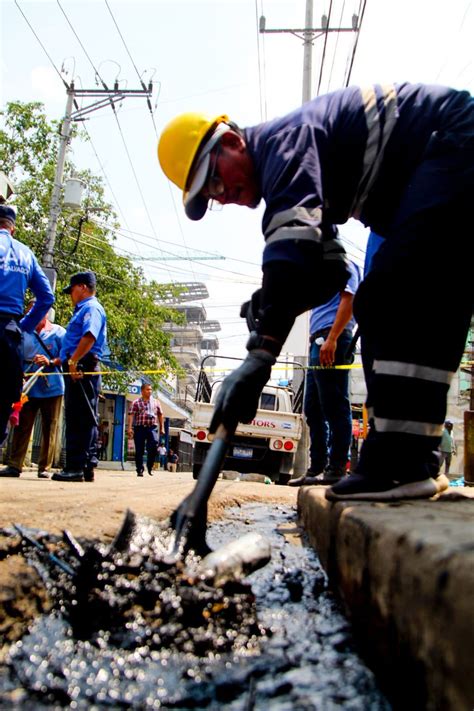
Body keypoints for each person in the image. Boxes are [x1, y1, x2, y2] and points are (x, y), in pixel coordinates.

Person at [158, 83, 474, 502]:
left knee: (395, 295)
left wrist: (261, 353)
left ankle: (402, 464)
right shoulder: (293, 166)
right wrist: (270, 304)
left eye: (214, 178)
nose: (222, 194)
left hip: (456, 142)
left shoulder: (282, 145)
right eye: (210, 195)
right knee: (380, 301)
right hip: (435, 167)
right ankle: (410, 459)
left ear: (232, 141)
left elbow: (292, 251)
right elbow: (327, 272)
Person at [289, 259, 361, 487]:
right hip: (317, 341)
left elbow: (349, 300)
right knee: (313, 408)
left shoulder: (344, 266)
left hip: (333, 339)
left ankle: (338, 466)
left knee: (335, 404)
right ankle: (317, 467)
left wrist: (332, 339)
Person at [0, 204, 54, 445]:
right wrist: (24, 326)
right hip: (10, 331)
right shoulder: (25, 254)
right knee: (5, 394)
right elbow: (47, 297)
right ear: (13, 229)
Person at [52, 272, 107, 483]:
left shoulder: (90, 308)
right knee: (85, 415)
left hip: (81, 366)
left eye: (72, 290)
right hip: (78, 363)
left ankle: (75, 467)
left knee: (78, 417)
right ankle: (86, 465)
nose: (70, 295)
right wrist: (62, 359)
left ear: (82, 287)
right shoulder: (85, 309)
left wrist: (73, 360)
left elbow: (89, 337)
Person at [0, 300, 65, 478]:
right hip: (27, 385)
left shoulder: (58, 332)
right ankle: (14, 464)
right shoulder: (22, 330)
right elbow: (14, 352)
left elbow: (66, 355)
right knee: (22, 425)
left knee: (49, 427)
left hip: (52, 385)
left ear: (45, 312)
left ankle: (44, 467)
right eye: (29, 312)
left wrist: (50, 361)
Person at [127, 383, 164, 477]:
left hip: (152, 427)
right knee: (139, 450)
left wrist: (162, 428)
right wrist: (130, 428)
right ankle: (139, 469)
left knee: (154, 444)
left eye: (151, 389)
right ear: (142, 391)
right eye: (148, 389)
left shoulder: (156, 402)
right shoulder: (136, 402)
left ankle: (150, 465)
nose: (150, 391)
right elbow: (131, 415)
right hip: (139, 428)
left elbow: (160, 414)